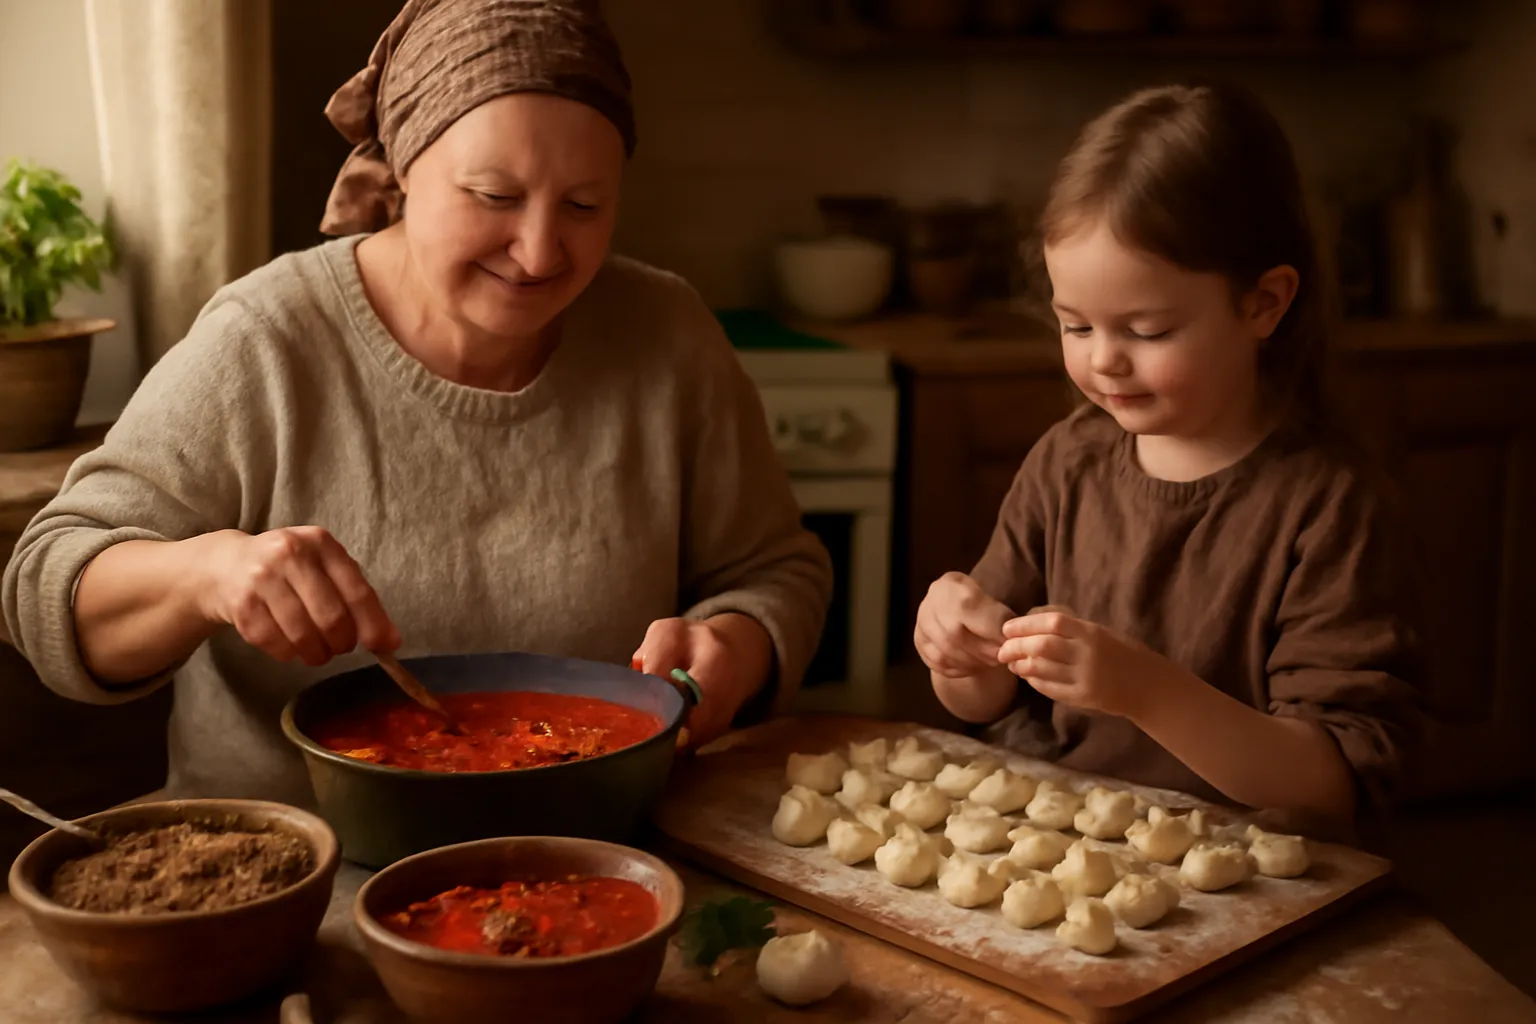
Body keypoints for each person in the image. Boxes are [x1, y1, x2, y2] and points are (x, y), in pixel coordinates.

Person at [2, 0, 831, 806]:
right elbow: (42, 589)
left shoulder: (667, 332)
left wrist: (734, 646)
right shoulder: (267, 340)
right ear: (400, 168)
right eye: (494, 197)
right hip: (289, 889)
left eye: (585, 206)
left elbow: (773, 571)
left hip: (599, 854)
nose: (540, 251)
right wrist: (207, 574)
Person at [912, 83, 1421, 835]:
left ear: (1264, 303)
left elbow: (1336, 781)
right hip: (1071, 859)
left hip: (1253, 885)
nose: (1104, 362)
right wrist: (956, 655)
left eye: (1147, 331)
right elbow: (987, 702)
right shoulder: (1066, 463)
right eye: (1076, 325)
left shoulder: (1329, 506)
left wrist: (1145, 691)